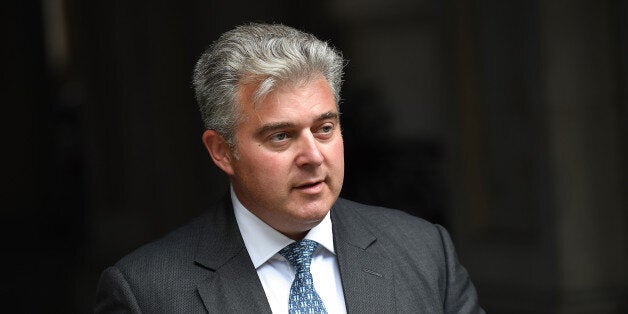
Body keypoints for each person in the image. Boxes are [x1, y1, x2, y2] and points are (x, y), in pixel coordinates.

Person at [95, 23, 484, 313]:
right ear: (221, 151)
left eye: (325, 128)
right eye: (281, 136)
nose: (313, 156)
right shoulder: (146, 293)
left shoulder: (424, 252)